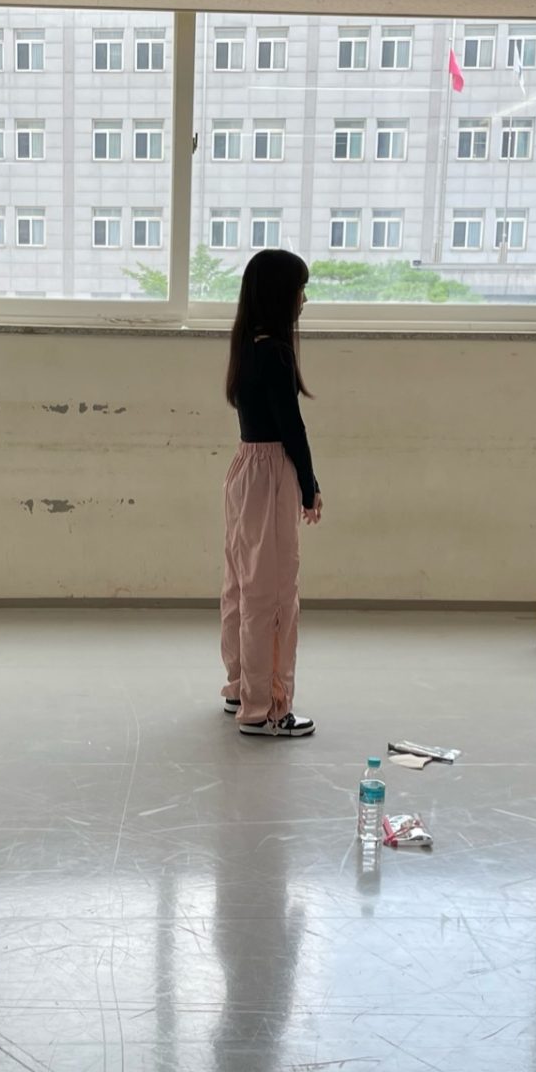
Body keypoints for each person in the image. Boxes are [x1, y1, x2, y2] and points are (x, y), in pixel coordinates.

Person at [220, 249, 323, 739]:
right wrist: (309, 485)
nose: (304, 299)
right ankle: (268, 709)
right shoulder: (277, 354)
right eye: (300, 289)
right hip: (272, 473)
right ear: (282, 296)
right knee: (275, 595)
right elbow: (292, 428)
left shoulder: (246, 347)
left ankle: (241, 687)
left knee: (243, 586)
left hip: (244, 468)